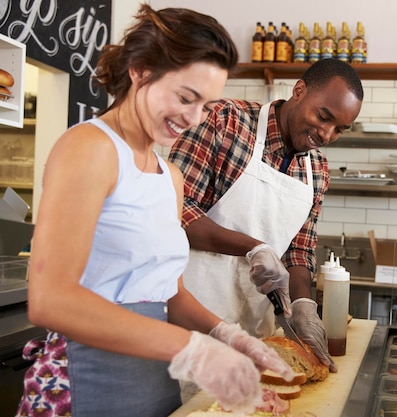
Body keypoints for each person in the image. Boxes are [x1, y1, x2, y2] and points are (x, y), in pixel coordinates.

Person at [15, 5, 293, 417]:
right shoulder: (90, 149)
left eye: (205, 105)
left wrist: (229, 336)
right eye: (186, 97)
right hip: (83, 383)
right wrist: (193, 349)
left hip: (151, 386)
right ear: (141, 71)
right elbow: (50, 300)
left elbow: (167, 292)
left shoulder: (170, 177)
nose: (194, 118)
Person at [168, 58, 364, 373]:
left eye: (340, 129)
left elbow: (299, 250)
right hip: (190, 318)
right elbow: (174, 211)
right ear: (299, 91)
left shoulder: (318, 169)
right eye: (323, 116)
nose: (327, 134)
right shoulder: (225, 121)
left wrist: (303, 304)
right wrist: (253, 247)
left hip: (254, 334)